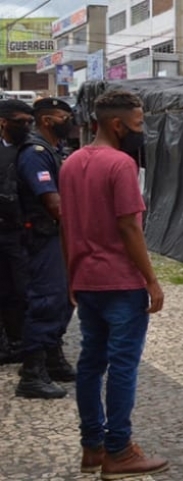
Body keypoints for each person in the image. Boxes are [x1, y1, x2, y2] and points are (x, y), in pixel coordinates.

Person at [61, 90, 168, 478]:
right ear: (117, 124)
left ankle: (92, 446)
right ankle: (119, 451)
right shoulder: (120, 164)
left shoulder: (70, 163)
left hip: (87, 280)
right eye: (138, 125)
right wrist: (151, 280)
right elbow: (128, 225)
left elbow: (66, 225)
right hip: (121, 282)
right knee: (122, 364)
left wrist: (70, 274)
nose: (141, 132)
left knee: (91, 362)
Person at [13, 97, 77, 399]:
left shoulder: (52, 149)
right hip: (42, 236)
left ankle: (52, 359)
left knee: (64, 299)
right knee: (47, 300)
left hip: (55, 236)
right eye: (66, 116)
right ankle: (32, 373)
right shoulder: (35, 153)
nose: (71, 121)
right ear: (48, 120)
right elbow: (53, 203)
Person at [0, 100, 32, 366]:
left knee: (19, 290)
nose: (26, 127)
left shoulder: (30, 150)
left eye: (29, 122)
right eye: (20, 122)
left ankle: (18, 341)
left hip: (19, 233)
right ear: (3, 122)